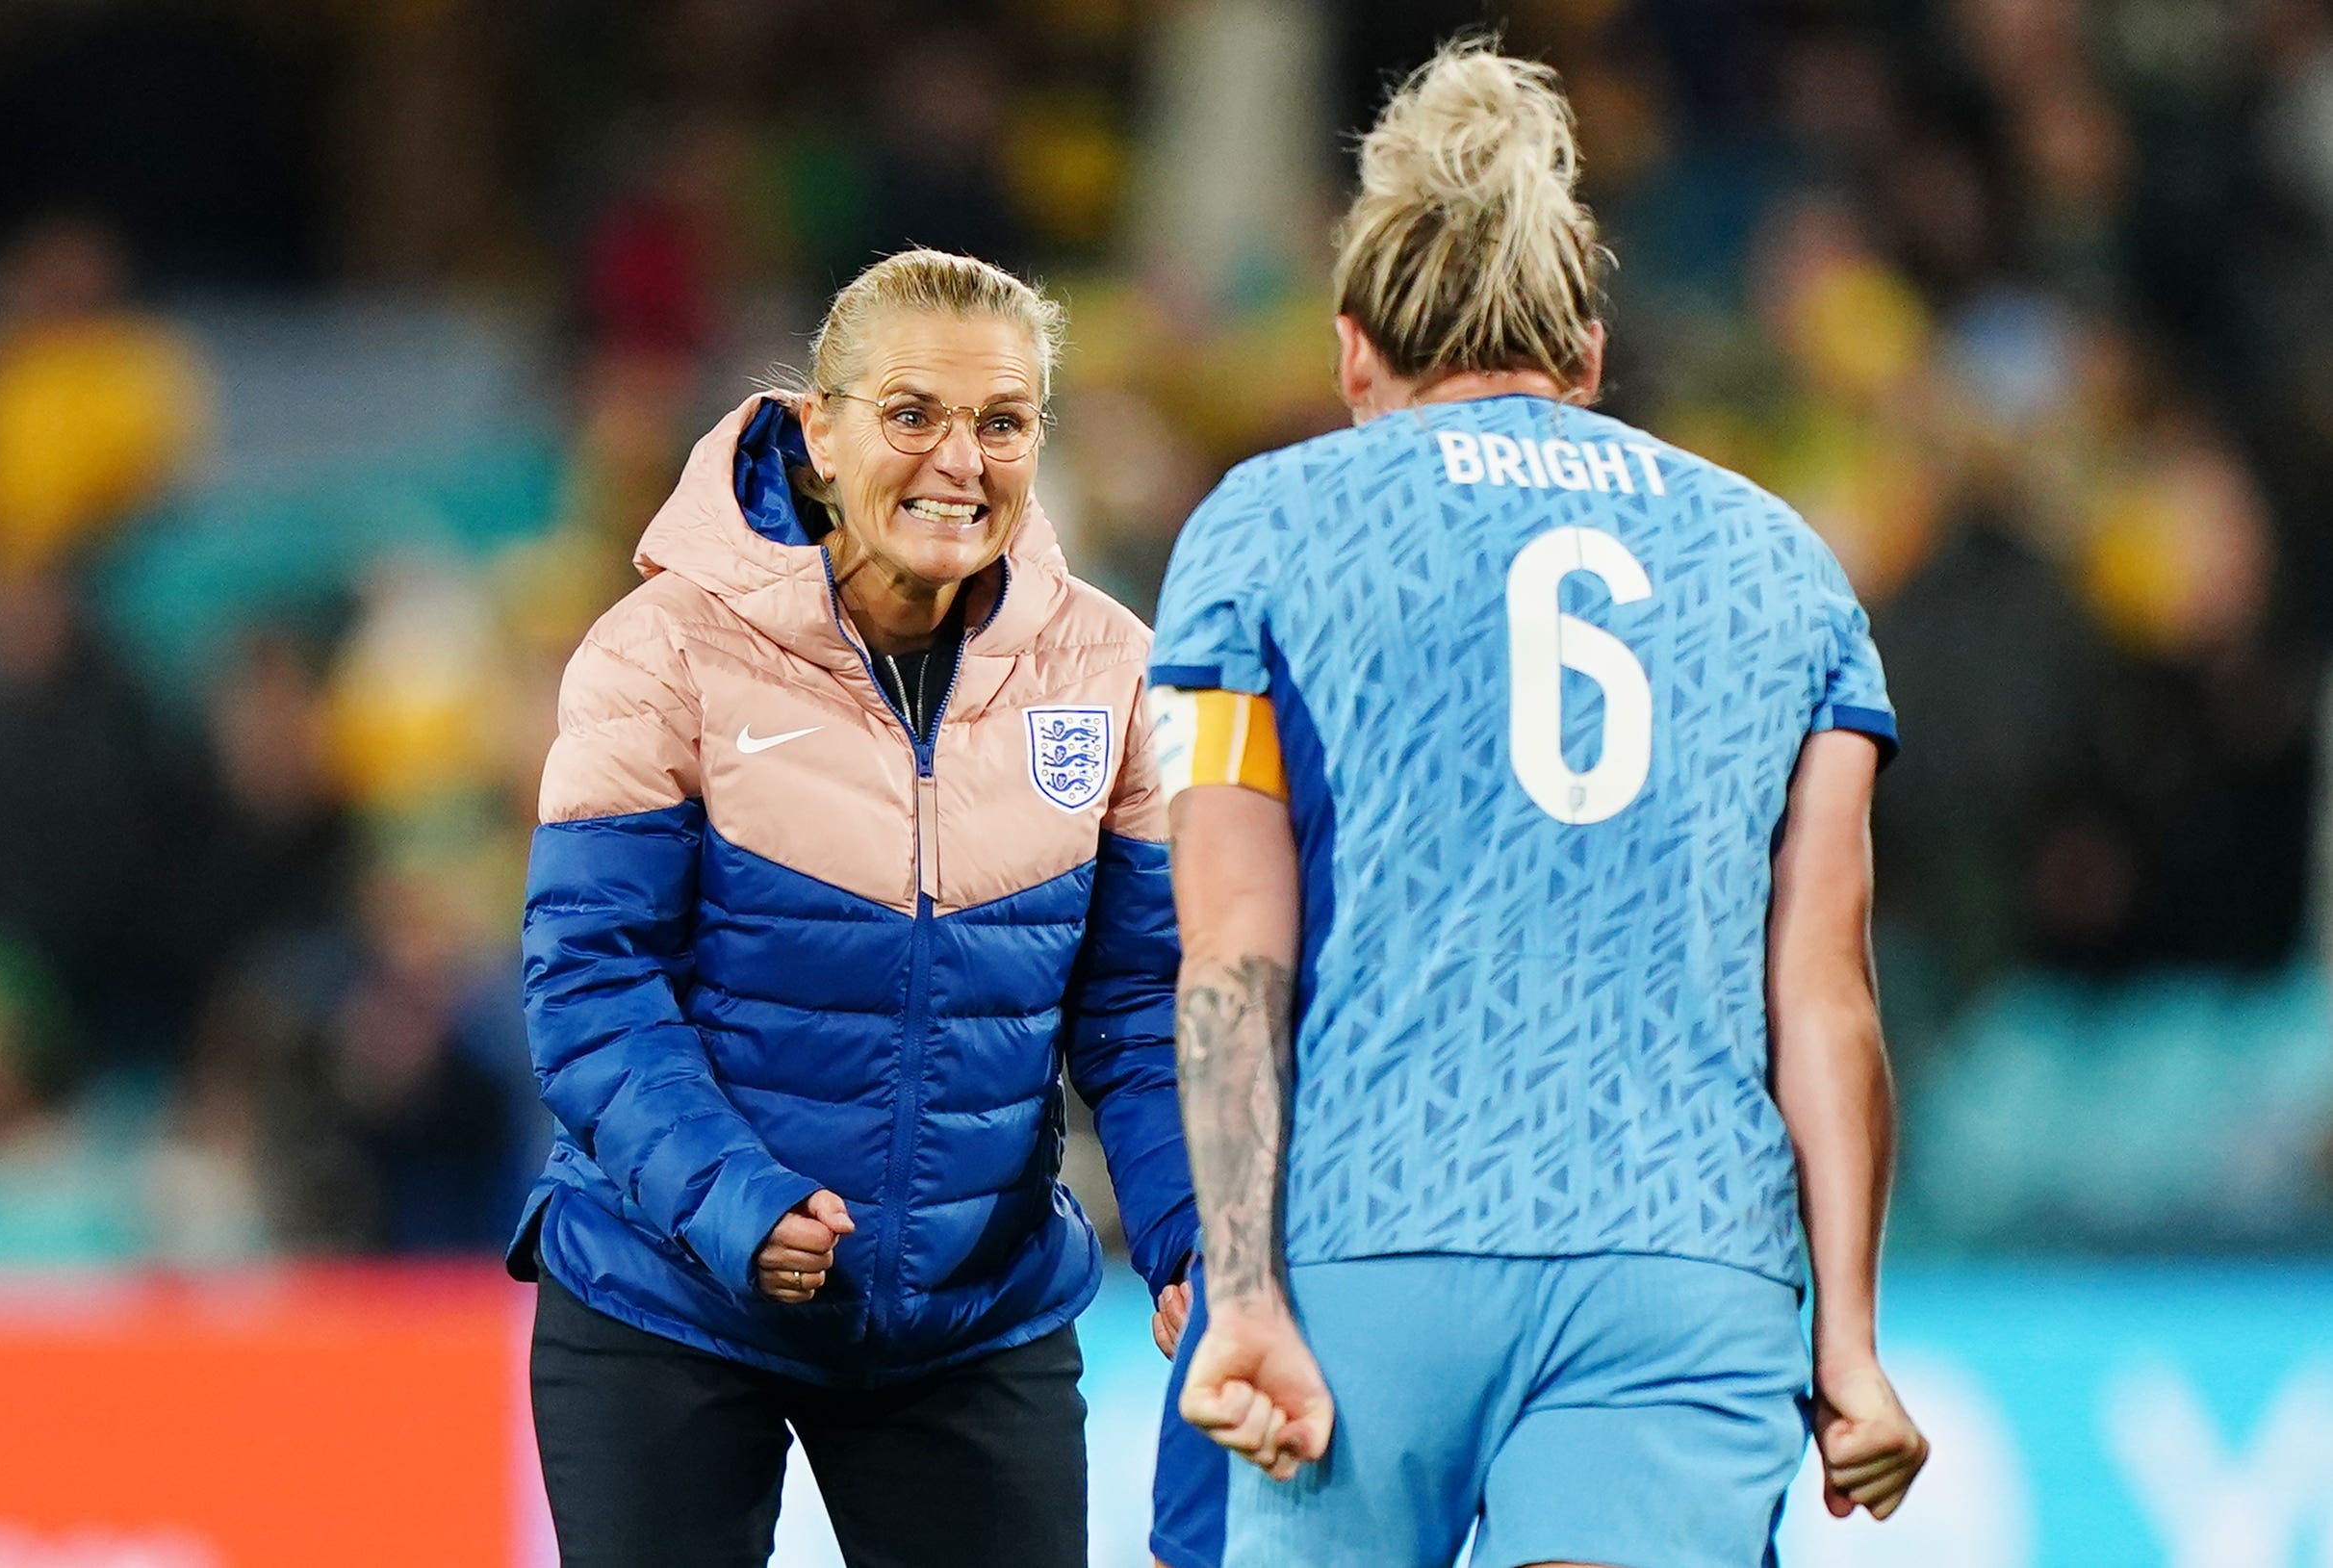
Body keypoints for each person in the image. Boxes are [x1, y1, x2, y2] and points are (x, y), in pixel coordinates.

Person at [1145, 40, 1929, 1568]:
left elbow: (1234, 950)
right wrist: (1849, 1340)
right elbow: (1827, 994)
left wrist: (1240, 1290)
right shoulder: (1786, 568)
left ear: (1353, 351)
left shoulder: (1258, 533)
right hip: (1685, 1255)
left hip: (1367, 1245)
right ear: (1584, 350)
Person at [513, 247, 1199, 1568]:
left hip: (971, 1311)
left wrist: (1184, 1235)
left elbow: (1136, 1006)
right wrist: (737, 1202)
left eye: (1003, 422)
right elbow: (591, 986)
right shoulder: (663, 651)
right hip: (671, 1288)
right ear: (818, 433)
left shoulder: (1112, 666)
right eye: (913, 416)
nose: (961, 459)